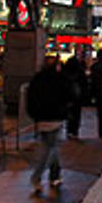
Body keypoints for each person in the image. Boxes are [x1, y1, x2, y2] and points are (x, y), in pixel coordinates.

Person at [26, 55, 73, 194]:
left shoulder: (37, 79)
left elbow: (30, 99)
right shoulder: (61, 79)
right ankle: (37, 176)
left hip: (41, 119)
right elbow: (70, 95)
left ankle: (55, 174)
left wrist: (34, 115)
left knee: (51, 146)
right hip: (56, 118)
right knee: (50, 148)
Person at [62, 56, 87, 139]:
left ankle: (69, 130)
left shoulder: (65, 72)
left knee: (69, 113)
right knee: (77, 113)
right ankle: (75, 130)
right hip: (78, 97)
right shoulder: (80, 71)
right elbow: (84, 84)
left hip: (67, 96)